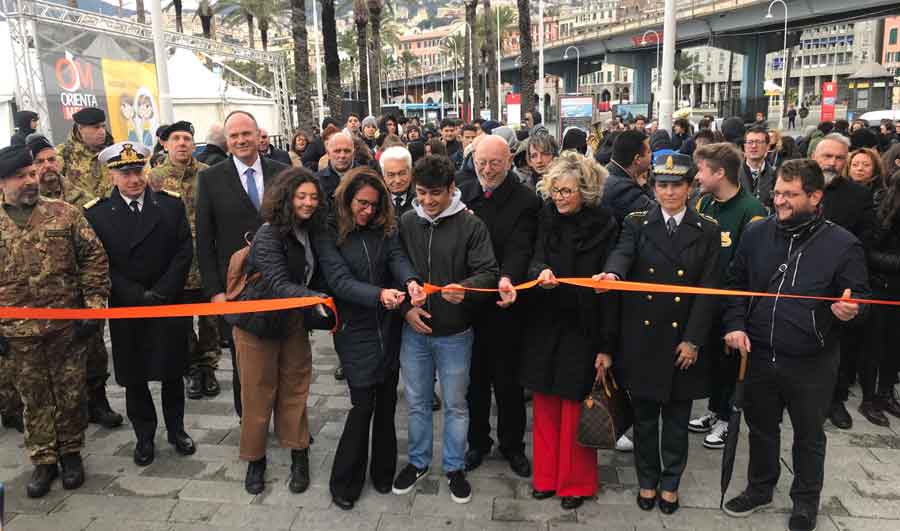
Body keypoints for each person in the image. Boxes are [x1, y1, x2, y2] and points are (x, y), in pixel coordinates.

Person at [722, 159, 870, 531]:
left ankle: (805, 502)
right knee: (762, 428)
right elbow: (736, 284)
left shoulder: (842, 243)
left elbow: (862, 299)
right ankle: (760, 488)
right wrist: (735, 325)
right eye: (777, 193)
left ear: (815, 196)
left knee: (809, 435)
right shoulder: (757, 234)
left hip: (812, 360)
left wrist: (852, 309)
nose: (780, 201)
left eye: (790, 195)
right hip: (759, 352)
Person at [598, 153, 720, 515]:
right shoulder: (637, 222)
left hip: (683, 340)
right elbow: (623, 253)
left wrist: (694, 339)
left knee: (678, 423)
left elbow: (710, 287)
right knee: (646, 421)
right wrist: (614, 275)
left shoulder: (708, 229)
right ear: (652, 187)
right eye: (662, 185)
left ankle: (671, 483)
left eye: (676, 185)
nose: (668, 192)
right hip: (644, 336)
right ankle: (647, 481)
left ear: (689, 187)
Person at [0, 145, 109, 498]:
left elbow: (94, 258)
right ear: (2, 183)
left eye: (32, 174)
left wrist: (93, 307)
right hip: (16, 333)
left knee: (69, 391)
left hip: (65, 328)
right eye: (21, 177)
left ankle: (71, 453)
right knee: (31, 396)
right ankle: (43, 459)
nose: (31, 181)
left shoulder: (65, 214)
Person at [392, 155, 499, 505]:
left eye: (435, 193)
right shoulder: (407, 221)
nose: (428, 201)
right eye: (421, 193)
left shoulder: (471, 225)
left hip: (455, 333)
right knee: (418, 402)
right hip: (416, 332)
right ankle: (418, 462)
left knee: (455, 404)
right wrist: (408, 308)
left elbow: (489, 272)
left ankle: (454, 467)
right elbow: (396, 262)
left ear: (451, 189)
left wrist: (465, 288)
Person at [315, 167, 423, 510]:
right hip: (354, 328)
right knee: (363, 406)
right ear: (348, 200)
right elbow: (339, 280)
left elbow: (396, 257)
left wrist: (409, 281)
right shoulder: (329, 230)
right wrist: (378, 295)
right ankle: (344, 481)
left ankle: (383, 471)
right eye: (362, 204)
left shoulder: (383, 226)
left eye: (375, 206)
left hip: (388, 325)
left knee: (388, 401)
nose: (368, 211)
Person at [84, 141, 195, 467]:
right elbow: (99, 262)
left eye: (137, 171)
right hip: (128, 306)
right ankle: (144, 436)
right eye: (125, 173)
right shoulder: (98, 213)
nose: (134, 179)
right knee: (135, 377)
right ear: (112, 175)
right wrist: (135, 294)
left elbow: (183, 251)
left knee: (173, 372)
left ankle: (177, 431)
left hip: (166, 301)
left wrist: (163, 290)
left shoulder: (169, 205)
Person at [520, 152, 617, 510]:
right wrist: (540, 271)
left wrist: (606, 346)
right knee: (545, 404)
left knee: (576, 406)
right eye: (555, 190)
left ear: (585, 191)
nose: (559, 197)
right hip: (546, 323)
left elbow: (610, 290)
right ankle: (545, 477)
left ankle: (575, 483)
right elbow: (532, 257)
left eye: (567, 191)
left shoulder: (605, 224)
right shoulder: (545, 216)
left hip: (584, 326)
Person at [230, 168, 326, 495]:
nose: (309, 203)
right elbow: (278, 283)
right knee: (258, 392)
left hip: (293, 322)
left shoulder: (313, 231)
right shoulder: (269, 234)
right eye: (302, 196)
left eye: (314, 196)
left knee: (295, 388)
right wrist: (317, 299)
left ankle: (299, 454)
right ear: (286, 198)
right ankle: (255, 459)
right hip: (257, 324)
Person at [195, 110, 290, 418]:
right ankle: (250, 424)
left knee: (286, 357)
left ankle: (289, 422)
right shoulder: (210, 178)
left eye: (245, 134)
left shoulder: (282, 171)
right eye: (233, 136)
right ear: (226, 140)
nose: (240, 140)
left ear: (257, 134)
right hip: (237, 288)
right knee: (243, 362)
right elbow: (205, 241)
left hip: (279, 282)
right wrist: (215, 292)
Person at [456, 135, 540, 478]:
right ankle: (478, 442)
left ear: (509, 162)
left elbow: (522, 247)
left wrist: (507, 278)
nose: (487, 170)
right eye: (481, 164)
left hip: (507, 303)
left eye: (495, 164)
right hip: (469, 303)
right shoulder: (461, 192)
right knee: (474, 381)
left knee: (508, 383)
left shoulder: (525, 200)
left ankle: (512, 445)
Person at [687, 143, 767, 449]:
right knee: (714, 363)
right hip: (707, 301)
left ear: (720, 173)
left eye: (702, 170)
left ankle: (726, 418)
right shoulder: (704, 203)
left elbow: (752, 263)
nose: (697, 177)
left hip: (733, 304)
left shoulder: (752, 211)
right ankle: (712, 410)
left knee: (732, 363)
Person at [147, 121, 222, 400]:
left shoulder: (208, 174)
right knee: (180, 320)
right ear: (165, 144)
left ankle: (208, 367)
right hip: (173, 264)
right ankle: (190, 367)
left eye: (187, 139)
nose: (182, 143)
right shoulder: (153, 178)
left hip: (205, 261)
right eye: (176, 138)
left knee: (210, 320)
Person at [811, 134, 876, 430]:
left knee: (841, 347)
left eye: (839, 158)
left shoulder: (859, 196)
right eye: (827, 157)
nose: (833, 163)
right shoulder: (797, 185)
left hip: (839, 283)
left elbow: (864, 242)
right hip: (800, 282)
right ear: (815, 157)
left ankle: (835, 401)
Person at [863, 172, 900, 425]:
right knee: (875, 346)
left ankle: (886, 392)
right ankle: (869, 398)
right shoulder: (884, 211)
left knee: (895, 347)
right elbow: (869, 252)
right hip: (883, 288)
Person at [57, 107, 113, 200]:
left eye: (103, 126)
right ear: (80, 128)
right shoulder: (64, 154)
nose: (102, 132)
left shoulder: (111, 152)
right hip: (79, 212)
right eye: (96, 127)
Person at [601, 129, 655, 224]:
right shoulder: (623, 189)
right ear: (637, 159)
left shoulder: (607, 172)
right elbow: (656, 214)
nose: (652, 155)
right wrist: (644, 185)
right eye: (649, 152)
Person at [738, 126, 776, 211]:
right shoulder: (733, 174)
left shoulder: (776, 176)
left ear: (767, 147)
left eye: (759, 142)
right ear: (744, 147)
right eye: (750, 142)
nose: (754, 146)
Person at [317, 131, 357, 211]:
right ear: (328, 154)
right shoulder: (317, 181)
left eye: (347, 151)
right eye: (337, 151)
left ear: (354, 154)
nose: (342, 156)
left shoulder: (366, 177)